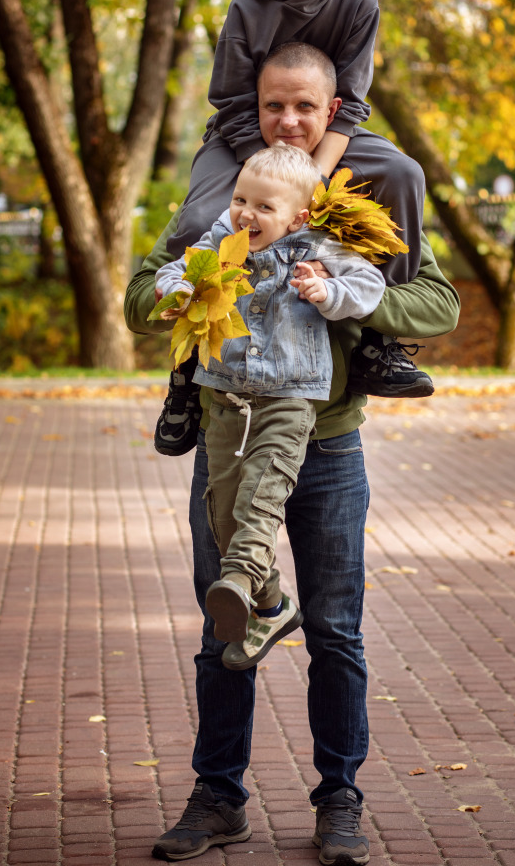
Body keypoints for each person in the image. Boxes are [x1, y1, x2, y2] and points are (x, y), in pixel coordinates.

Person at [124, 45, 461, 866]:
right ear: (257, 106)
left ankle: (339, 798)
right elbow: (141, 293)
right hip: (231, 434)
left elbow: (438, 300)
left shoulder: (359, 207)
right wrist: (199, 282)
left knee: (337, 633)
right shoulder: (225, 198)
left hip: (330, 442)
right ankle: (218, 797)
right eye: (276, 105)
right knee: (223, 619)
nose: (290, 120)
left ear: (333, 109)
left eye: (306, 107)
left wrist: (346, 294)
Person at [153, 0, 433, 460]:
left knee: (405, 173)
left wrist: (310, 175)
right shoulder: (249, 4)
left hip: (329, 136)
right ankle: (186, 370)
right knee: (211, 212)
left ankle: (381, 345)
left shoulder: (359, 5)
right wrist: (271, 171)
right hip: (242, 136)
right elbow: (231, 100)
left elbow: (351, 104)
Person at [154, 143, 386, 667]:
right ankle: (272, 603)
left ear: (298, 216)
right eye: (240, 199)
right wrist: (178, 293)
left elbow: (369, 286)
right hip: (225, 394)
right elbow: (177, 270)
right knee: (223, 504)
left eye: (263, 206)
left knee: (262, 490)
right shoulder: (223, 238)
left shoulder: (319, 247)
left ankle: (237, 579)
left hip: (291, 395)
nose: (245, 214)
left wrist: (327, 293)